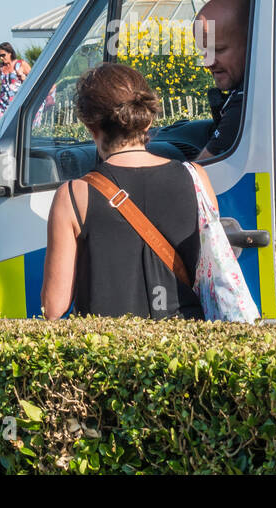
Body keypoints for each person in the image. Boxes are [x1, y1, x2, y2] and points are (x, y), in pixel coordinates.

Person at [42, 63, 218, 320]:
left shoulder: (73, 196)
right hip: (188, 349)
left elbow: (54, 307)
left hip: (108, 353)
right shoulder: (196, 177)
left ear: (91, 126)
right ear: (146, 121)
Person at [193, 0, 251, 160]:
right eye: (204, 52)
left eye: (218, 50)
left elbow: (198, 176)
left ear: (252, 43)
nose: (207, 63)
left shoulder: (246, 103)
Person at [0, 41, 31, 118]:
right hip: (3, 104)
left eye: (3, 55)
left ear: (10, 53)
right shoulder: (0, 67)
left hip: (17, 103)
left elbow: (33, 80)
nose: (1, 58)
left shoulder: (20, 64)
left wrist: (23, 77)